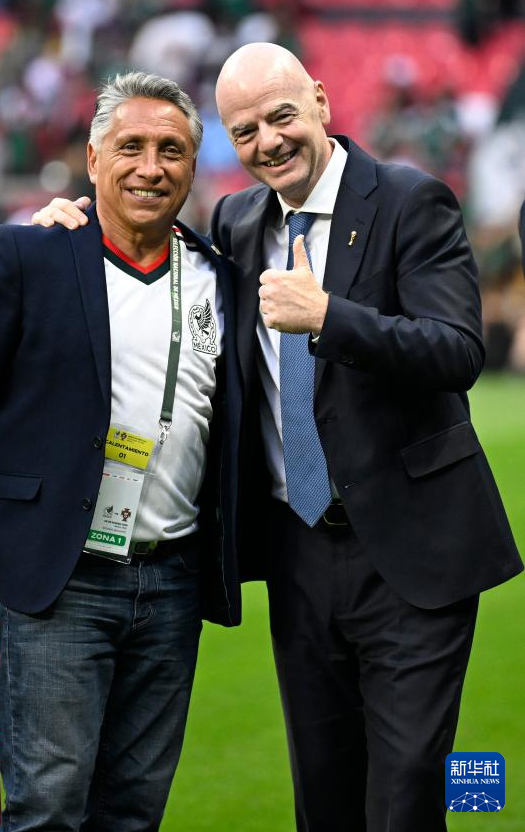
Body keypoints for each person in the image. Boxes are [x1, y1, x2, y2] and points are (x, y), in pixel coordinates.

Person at [33, 43, 522, 832]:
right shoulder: (237, 220)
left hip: (411, 549)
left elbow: (458, 350)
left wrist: (328, 316)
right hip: (298, 553)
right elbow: (152, 255)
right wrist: (72, 231)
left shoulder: (409, 200)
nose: (268, 141)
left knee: (406, 794)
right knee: (323, 795)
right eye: (245, 129)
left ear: (321, 102)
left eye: (281, 116)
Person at [0, 71, 242, 832]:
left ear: (193, 165)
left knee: (133, 811)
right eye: (131, 147)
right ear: (93, 160)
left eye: (171, 150)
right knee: (48, 810)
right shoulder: (30, 255)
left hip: (173, 580)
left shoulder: (218, 277)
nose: (151, 167)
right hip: (61, 578)